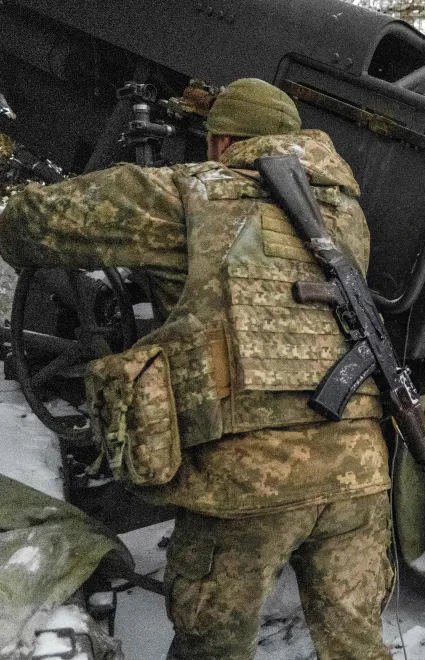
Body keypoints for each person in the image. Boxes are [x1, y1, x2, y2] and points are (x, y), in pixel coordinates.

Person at [0, 79, 393, 660]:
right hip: (358, 473)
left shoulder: (188, 196)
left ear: (222, 142)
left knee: (211, 651)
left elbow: (29, 225)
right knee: (357, 648)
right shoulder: (345, 214)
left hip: (246, 484)